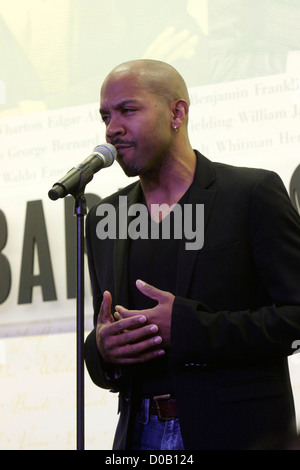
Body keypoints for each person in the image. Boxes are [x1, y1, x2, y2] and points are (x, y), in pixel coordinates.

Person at [84, 59, 300, 450]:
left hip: (240, 434)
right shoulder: (106, 217)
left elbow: (296, 316)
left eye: (127, 110)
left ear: (177, 112)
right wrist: (102, 349)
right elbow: (105, 340)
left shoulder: (251, 194)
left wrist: (191, 329)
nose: (112, 128)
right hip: (139, 435)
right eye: (105, 116)